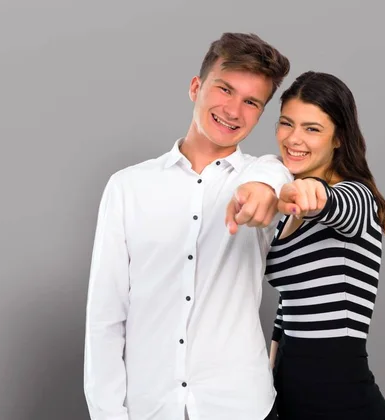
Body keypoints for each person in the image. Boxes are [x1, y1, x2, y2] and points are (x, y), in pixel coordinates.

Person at [84, 32, 292, 420]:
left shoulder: (263, 176)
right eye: (224, 90)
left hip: (242, 408)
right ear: (196, 87)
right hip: (151, 409)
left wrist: (265, 189)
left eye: (251, 102)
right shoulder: (128, 187)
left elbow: (277, 177)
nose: (233, 110)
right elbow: (106, 318)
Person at [264, 71, 385, 419]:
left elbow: (335, 205)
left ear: (338, 138)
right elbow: (288, 303)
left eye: (312, 128)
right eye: (286, 123)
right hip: (291, 396)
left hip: (342, 401)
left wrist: (314, 195)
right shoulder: (289, 214)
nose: (294, 139)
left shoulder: (357, 198)